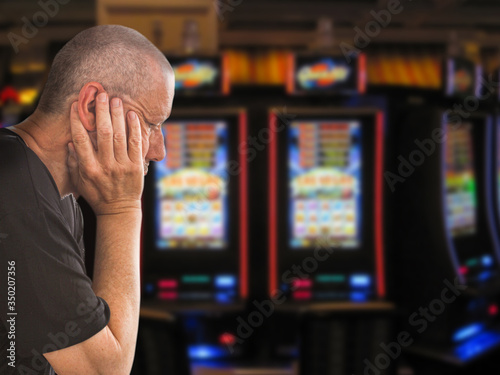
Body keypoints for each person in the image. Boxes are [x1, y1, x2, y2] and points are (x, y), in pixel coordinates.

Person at [0, 25, 174, 375]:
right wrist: (121, 210)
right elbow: (104, 371)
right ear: (92, 107)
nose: (159, 151)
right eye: (152, 124)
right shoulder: (16, 188)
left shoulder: (56, 193)